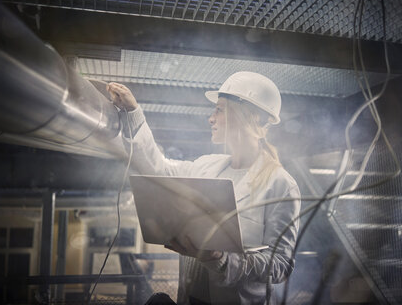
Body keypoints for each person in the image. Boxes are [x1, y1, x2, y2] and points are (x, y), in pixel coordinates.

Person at [107, 72, 301, 305]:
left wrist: (223, 260)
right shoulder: (206, 165)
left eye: (219, 109)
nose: (211, 118)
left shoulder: (280, 184)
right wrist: (132, 113)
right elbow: (158, 170)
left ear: (247, 116)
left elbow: (281, 264)